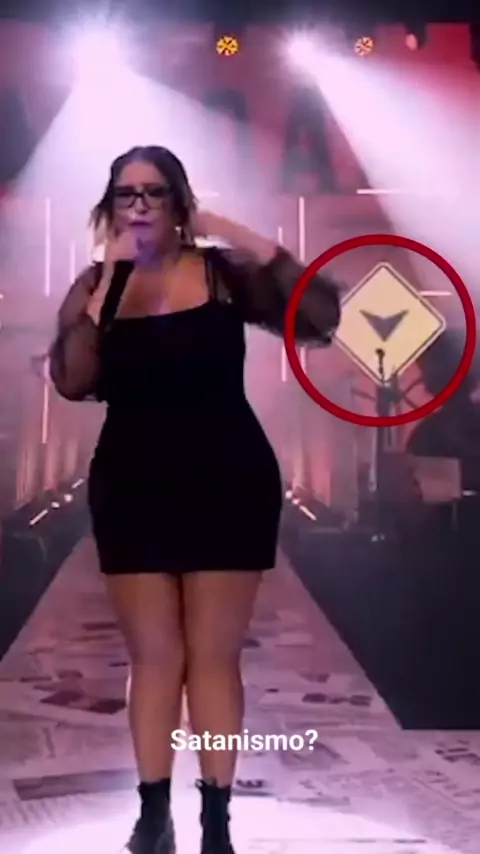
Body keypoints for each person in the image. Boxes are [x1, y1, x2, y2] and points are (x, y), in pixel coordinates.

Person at [48, 145, 340, 854]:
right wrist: (108, 284)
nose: (140, 205)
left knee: (213, 656)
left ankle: (215, 820)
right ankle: (154, 817)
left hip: (227, 477)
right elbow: (73, 381)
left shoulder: (219, 273)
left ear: (179, 202)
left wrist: (232, 231)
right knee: (153, 657)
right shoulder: (94, 286)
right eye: (126, 194)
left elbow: (319, 317)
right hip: (133, 481)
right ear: (110, 207)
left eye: (154, 192)